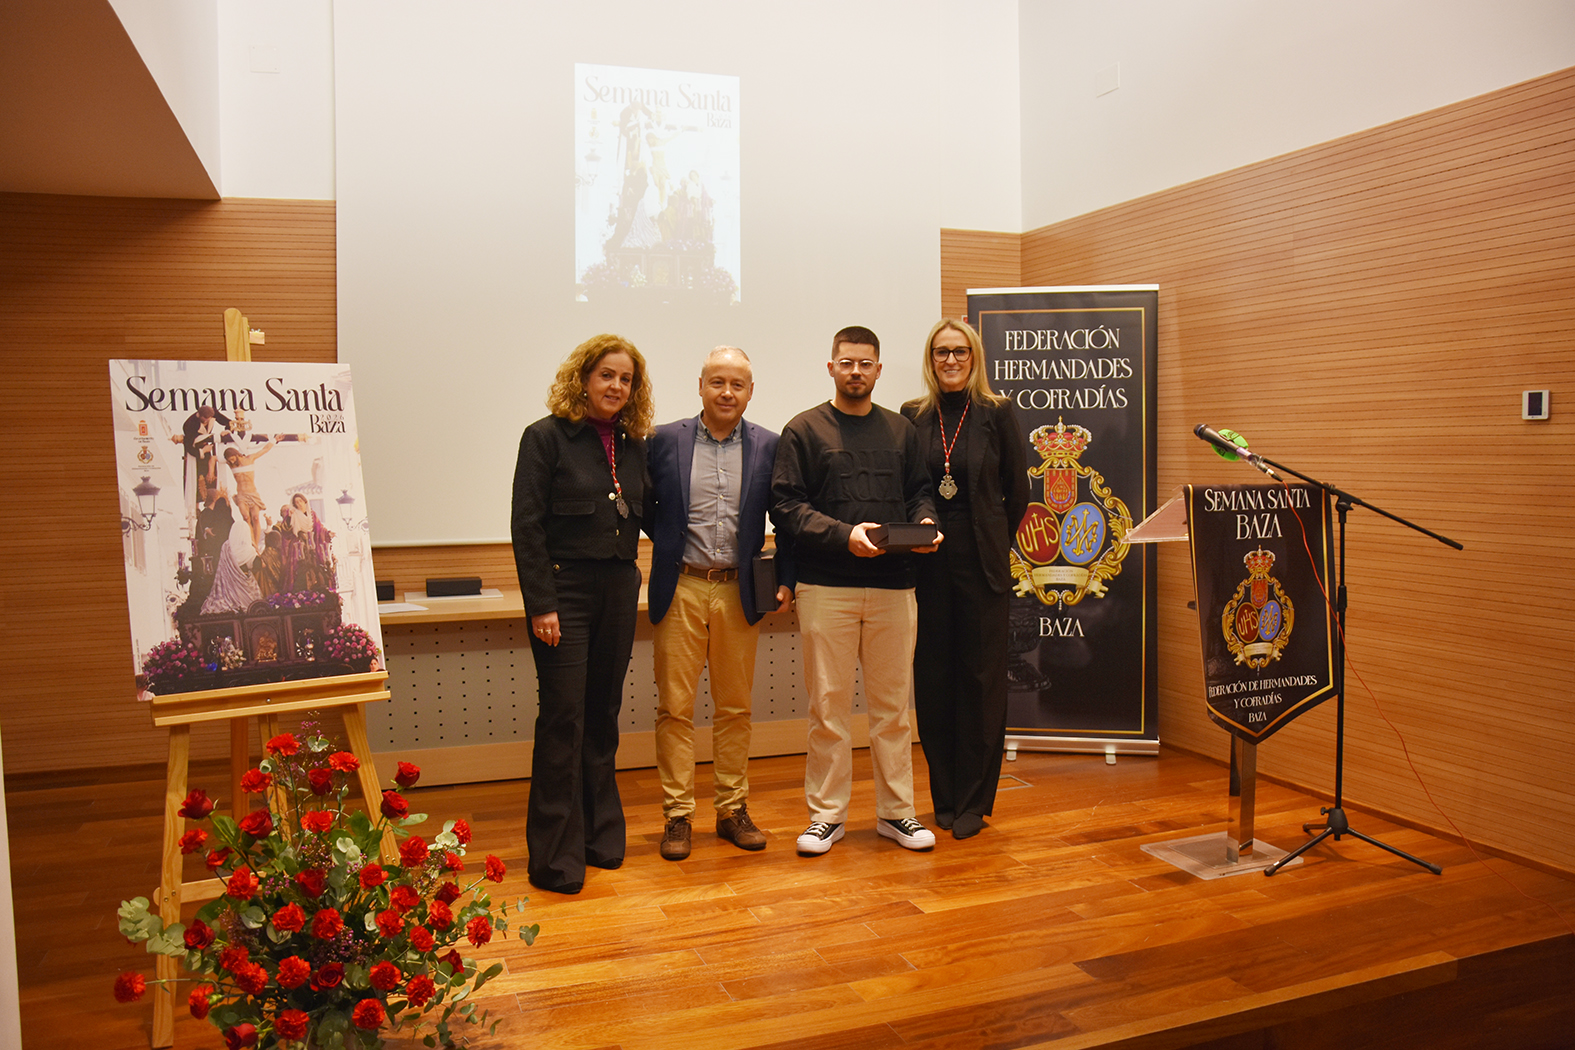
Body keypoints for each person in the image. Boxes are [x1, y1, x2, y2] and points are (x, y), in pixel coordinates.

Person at [771, 325, 941, 855]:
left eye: (865, 364)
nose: (856, 372)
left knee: (893, 711)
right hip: (826, 588)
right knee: (828, 710)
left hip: (895, 587)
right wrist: (845, 536)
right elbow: (787, 507)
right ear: (831, 367)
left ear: (879, 370)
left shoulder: (901, 431)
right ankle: (826, 816)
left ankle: (897, 813)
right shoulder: (803, 430)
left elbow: (920, 493)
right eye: (846, 362)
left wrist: (927, 523)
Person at [511, 334, 653, 894]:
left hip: (617, 589)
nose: (616, 386)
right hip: (563, 595)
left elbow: (649, 514)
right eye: (606, 375)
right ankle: (555, 859)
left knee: (602, 714)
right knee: (563, 719)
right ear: (583, 379)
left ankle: (600, 837)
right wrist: (541, 604)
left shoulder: (634, 444)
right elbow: (527, 527)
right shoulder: (545, 437)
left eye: (626, 379)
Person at [645, 346, 795, 861]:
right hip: (681, 585)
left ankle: (732, 810)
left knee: (735, 707)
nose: (727, 392)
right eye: (717, 382)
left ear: (750, 392)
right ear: (700, 386)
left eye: (737, 384)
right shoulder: (664, 440)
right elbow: (645, 508)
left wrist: (786, 577)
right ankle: (677, 815)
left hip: (738, 589)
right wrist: (670, 543)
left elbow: (786, 517)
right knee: (674, 708)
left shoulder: (770, 445)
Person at [902, 320, 1030, 839]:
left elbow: (1018, 491)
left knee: (981, 683)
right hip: (928, 564)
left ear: (974, 357)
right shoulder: (913, 415)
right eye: (941, 352)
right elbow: (909, 485)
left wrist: (993, 540)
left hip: (982, 567)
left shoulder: (997, 413)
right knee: (934, 682)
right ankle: (946, 795)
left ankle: (975, 800)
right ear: (930, 359)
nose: (950, 360)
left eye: (959, 351)